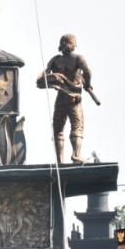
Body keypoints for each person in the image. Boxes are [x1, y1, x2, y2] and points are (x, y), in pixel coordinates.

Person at [35, 33, 97, 164]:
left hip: (60, 98)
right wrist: (88, 84)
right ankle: (76, 155)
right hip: (74, 98)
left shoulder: (55, 60)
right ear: (73, 44)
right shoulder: (78, 58)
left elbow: (44, 76)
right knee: (77, 126)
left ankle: (60, 161)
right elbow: (87, 71)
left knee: (58, 129)